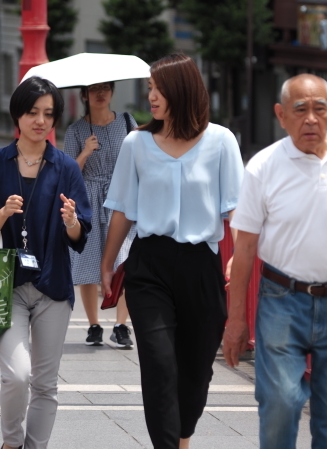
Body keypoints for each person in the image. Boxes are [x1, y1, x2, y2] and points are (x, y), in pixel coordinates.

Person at [223, 74, 327, 449]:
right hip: (283, 300)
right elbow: (245, 248)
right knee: (280, 404)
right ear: (281, 115)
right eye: (300, 110)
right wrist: (235, 319)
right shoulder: (263, 166)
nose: (310, 119)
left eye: (318, 109)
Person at [101, 54, 243, 449]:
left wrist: (241, 253)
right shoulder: (137, 144)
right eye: (149, 88)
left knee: (196, 372)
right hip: (150, 266)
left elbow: (238, 210)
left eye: (157, 88)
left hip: (202, 267)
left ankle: (183, 436)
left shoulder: (221, 141)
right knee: (159, 364)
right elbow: (123, 211)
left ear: (181, 90)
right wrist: (107, 263)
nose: (151, 96)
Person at [0, 76, 91, 449]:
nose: (40, 120)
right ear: (18, 115)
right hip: (4, 286)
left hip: (53, 286)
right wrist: (3, 213)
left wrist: (71, 222)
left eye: (49, 114)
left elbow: (81, 237)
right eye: (33, 112)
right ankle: (10, 443)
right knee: (18, 375)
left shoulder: (66, 167)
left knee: (45, 383)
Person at [63, 81, 137, 348]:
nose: (101, 93)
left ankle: (121, 325)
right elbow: (68, 173)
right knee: (87, 261)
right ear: (84, 94)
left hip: (121, 199)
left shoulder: (128, 123)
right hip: (89, 198)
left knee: (124, 261)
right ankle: (94, 325)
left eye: (106, 88)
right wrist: (85, 151)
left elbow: (140, 158)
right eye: (94, 89)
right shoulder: (75, 130)